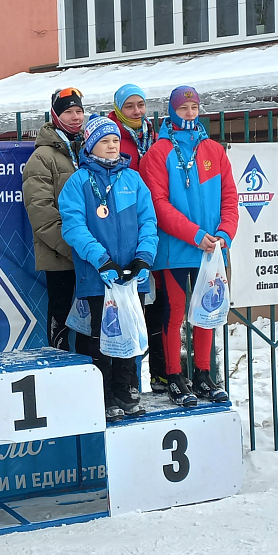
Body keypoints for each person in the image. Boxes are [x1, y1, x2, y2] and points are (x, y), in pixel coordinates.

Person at [138, 85, 237, 407]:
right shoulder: (158, 153)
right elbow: (157, 204)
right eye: (183, 108)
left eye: (194, 107)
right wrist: (195, 234)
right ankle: (174, 376)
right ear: (172, 111)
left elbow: (230, 199)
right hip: (176, 249)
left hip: (211, 250)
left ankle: (204, 374)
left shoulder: (214, 151)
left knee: (207, 311)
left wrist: (224, 234)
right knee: (174, 312)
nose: (190, 113)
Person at [59, 115, 158, 420]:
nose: (113, 145)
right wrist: (101, 259)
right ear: (90, 145)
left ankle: (124, 389)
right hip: (98, 274)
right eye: (104, 141)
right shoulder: (78, 182)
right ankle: (102, 394)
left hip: (131, 276)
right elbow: (73, 227)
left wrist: (144, 257)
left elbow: (148, 221)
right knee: (100, 336)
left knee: (129, 332)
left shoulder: (133, 179)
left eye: (115, 140)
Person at [112, 84, 167, 390]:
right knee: (129, 312)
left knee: (157, 308)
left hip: (156, 230)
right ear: (118, 108)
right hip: (125, 233)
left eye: (141, 105)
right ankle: (129, 382)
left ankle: (160, 374)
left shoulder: (153, 137)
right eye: (129, 106)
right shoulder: (112, 138)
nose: (136, 111)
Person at [22, 87, 85, 347]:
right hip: (62, 254)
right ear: (55, 116)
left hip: (92, 253)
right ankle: (60, 363)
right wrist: (74, 248)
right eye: (68, 112)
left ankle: (91, 366)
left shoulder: (90, 148)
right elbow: (41, 213)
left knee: (92, 320)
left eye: (79, 111)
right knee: (61, 316)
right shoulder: (42, 157)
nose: (75, 117)